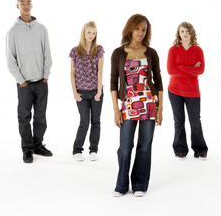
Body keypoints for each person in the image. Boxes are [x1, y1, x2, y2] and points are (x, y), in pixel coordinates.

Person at [110, 14, 163, 197]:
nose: (141, 32)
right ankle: (122, 185)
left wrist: (160, 109)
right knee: (125, 147)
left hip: (149, 104)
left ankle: (140, 184)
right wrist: (116, 110)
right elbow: (113, 83)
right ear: (130, 28)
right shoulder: (118, 53)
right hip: (128, 106)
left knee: (145, 146)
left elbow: (159, 81)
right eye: (138, 28)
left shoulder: (151, 52)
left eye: (144, 29)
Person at [6, 0, 53, 163]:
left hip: (41, 82)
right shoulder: (13, 32)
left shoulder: (41, 29)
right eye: (22, 3)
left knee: (41, 117)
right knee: (24, 117)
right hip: (24, 84)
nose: (26, 6)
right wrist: (21, 81)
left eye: (28, 3)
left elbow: (47, 54)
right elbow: (10, 60)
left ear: (32, 5)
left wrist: (45, 76)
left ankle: (37, 145)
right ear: (17, 6)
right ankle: (27, 149)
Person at [167, 22, 208, 160]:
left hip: (192, 92)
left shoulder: (198, 50)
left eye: (187, 31)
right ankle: (180, 149)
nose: (185, 34)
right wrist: (190, 69)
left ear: (192, 33)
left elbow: (200, 70)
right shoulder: (173, 50)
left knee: (195, 121)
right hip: (174, 91)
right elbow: (170, 71)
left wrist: (181, 67)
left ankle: (200, 149)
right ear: (179, 33)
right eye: (182, 31)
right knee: (178, 121)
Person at [69, 21, 104, 162]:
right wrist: (75, 93)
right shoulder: (75, 51)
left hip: (96, 91)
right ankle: (77, 150)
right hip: (81, 92)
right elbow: (72, 73)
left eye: (94, 33)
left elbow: (100, 71)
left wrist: (99, 92)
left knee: (96, 121)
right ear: (84, 32)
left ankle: (93, 150)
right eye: (89, 32)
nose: (91, 35)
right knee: (84, 121)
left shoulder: (99, 50)